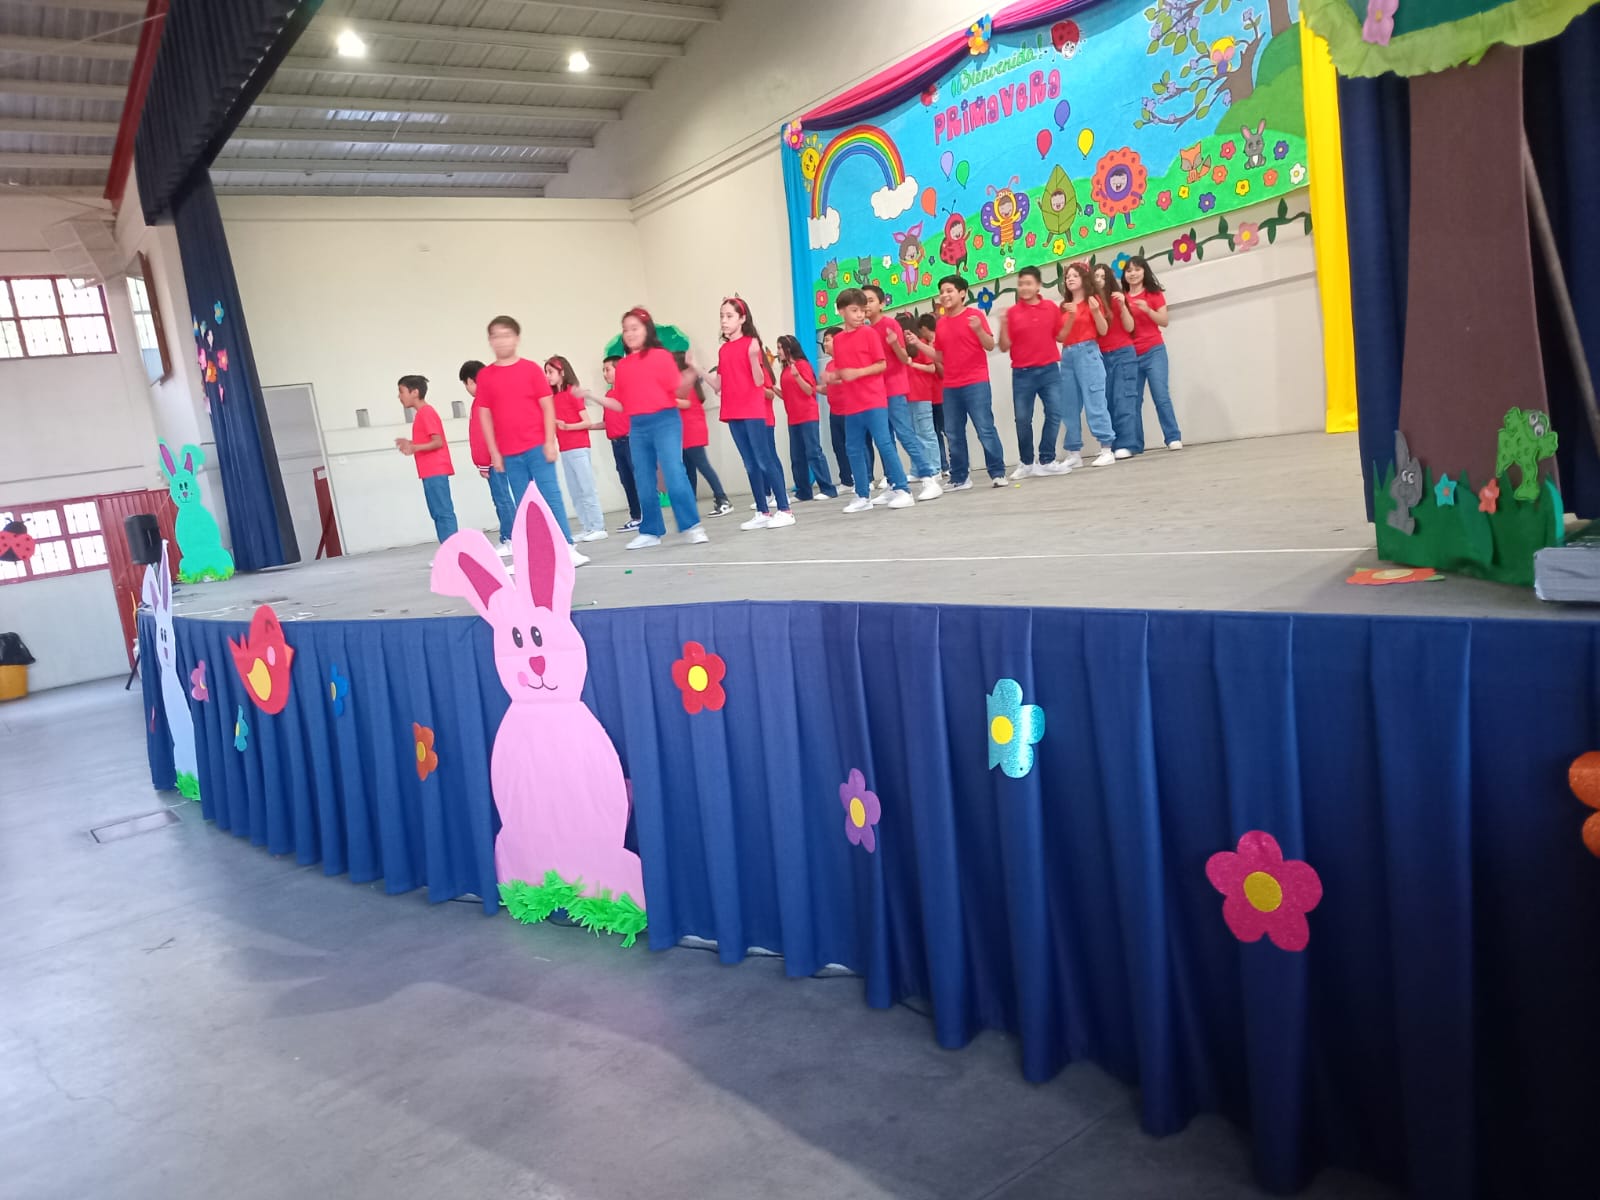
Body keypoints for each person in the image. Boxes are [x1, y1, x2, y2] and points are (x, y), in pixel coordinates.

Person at [474, 314, 587, 566]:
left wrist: (549, 441)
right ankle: (534, 555)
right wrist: (494, 452)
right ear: (490, 341)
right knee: (525, 504)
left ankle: (566, 547)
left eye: (506, 335)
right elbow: (485, 415)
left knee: (550, 495)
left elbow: (547, 406)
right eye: (495, 336)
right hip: (509, 452)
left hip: (537, 446)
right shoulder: (486, 376)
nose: (501, 340)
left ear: (516, 338)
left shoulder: (530, 369)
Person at [690, 297, 794, 531]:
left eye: (729, 316)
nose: (724, 321)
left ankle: (785, 510)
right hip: (733, 410)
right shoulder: (724, 350)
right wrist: (697, 368)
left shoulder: (751, 344)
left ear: (742, 319)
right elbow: (718, 385)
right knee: (749, 463)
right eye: (722, 316)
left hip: (752, 410)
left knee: (764, 460)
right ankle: (762, 511)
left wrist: (753, 358)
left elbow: (758, 381)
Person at [613, 306, 707, 549]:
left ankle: (692, 526)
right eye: (626, 330)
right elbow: (622, 402)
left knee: (674, 472)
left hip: (665, 421)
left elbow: (679, 390)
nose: (630, 333)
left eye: (635, 328)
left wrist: (692, 370)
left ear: (647, 329)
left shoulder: (661, 356)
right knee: (643, 478)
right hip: (638, 426)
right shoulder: (622, 366)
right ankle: (650, 531)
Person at [824, 288, 914, 513]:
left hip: (874, 400)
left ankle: (903, 490)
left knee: (884, 443)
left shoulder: (869, 334)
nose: (859, 315)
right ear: (841, 311)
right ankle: (862, 495)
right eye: (854, 310)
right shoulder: (839, 341)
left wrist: (858, 373)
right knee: (853, 448)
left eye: (861, 311)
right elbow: (844, 371)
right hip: (852, 404)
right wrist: (834, 377)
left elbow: (882, 364)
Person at [912, 276, 1006, 490]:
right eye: (941, 292)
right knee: (953, 433)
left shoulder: (975, 315)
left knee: (985, 428)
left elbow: (989, 345)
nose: (944, 295)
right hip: (951, 386)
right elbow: (940, 356)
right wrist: (918, 343)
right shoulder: (941, 323)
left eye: (949, 291)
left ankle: (998, 473)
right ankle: (960, 477)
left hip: (976, 382)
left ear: (962, 293)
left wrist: (979, 330)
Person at [865, 286, 941, 498]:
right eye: (863, 301)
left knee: (905, 434)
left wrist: (894, 344)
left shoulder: (890, 325)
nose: (866, 305)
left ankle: (928, 478)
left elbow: (903, 358)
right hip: (876, 392)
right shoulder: (866, 330)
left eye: (870, 300)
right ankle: (895, 485)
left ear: (882, 303)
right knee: (884, 440)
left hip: (894, 388)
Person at [998, 266, 1068, 478]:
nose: (1024, 288)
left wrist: (1072, 317)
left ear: (1038, 285)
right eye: (1020, 284)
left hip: (1049, 371)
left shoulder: (1051, 308)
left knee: (1055, 413)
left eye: (1028, 283)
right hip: (1023, 373)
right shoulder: (1012, 313)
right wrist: (1003, 324)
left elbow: (1061, 336)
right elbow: (1004, 346)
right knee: (1022, 420)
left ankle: (1047, 459)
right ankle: (1027, 463)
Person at [1055, 263, 1117, 469]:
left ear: (1084, 278)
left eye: (1074, 275)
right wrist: (1071, 316)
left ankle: (1106, 449)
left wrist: (1096, 311)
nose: (1070, 279)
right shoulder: (1064, 306)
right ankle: (1074, 453)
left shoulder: (1093, 300)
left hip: (1088, 352)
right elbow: (1059, 336)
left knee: (1095, 400)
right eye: (1067, 277)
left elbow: (1103, 330)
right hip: (1067, 355)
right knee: (1069, 404)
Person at [1122, 256, 1184, 453]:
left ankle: (1173, 437)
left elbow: (1164, 321)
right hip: (1130, 355)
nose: (1132, 273)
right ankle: (1134, 445)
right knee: (1132, 401)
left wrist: (1147, 310)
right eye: (1129, 270)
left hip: (1153, 350)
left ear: (1144, 271)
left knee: (1161, 396)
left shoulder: (1154, 294)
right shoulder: (1122, 298)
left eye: (1137, 269)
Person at [546, 355, 608, 543]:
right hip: (565, 449)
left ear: (562, 372)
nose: (547, 376)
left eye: (550, 372)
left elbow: (586, 422)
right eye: (546, 372)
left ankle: (598, 527)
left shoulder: (573, 393)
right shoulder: (553, 397)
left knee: (587, 488)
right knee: (575, 491)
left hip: (579, 447)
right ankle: (587, 526)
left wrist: (567, 426)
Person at [774, 335, 838, 501]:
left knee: (813, 452)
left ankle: (828, 489)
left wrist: (797, 377)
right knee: (797, 456)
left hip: (807, 415)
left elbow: (810, 390)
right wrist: (773, 389)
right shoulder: (786, 370)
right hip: (793, 418)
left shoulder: (802, 365)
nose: (778, 351)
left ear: (789, 348)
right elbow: (787, 396)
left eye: (780, 348)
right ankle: (803, 491)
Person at [461, 359, 516, 554]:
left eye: (466, 384)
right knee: (503, 498)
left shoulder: (482, 403)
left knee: (502, 499)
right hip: (499, 457)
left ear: (471, 381)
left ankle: (511, 538)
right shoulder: (492, 399)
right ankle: (510, 537)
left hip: (493, 460)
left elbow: (481, 436)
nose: (467, 389)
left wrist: (483, 463)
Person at [395, 374, 457, 543]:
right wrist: (411, 443)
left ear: (414, 392)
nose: (399, 397)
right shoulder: (422, 414)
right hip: (429, 471)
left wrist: (414, 447)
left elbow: (438, 442)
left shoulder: (426, 413)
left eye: (401, 391)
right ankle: (448, 549)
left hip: (435, 470)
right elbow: (429, 441)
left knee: (443, 512)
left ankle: (452, 550)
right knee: (438, 512)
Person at [1091, 264, 1143, 461]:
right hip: (1101, 356)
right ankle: (1111, 445)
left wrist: (1122, 306)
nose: (1099, 280)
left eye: (1103, 276)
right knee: (1107, 402)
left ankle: (1127, 444)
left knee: (1124, 400)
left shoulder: (1117, 298)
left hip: (1123, 353)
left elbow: (1130, 327)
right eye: (1095, 276)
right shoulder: (1091, 302)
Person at [674, 353, 733, 514]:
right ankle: (691, 501)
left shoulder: (686, 386)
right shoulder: (683, 385)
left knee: (703, 466)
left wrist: (664, 399)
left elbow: (685, 404)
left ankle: (722, 499)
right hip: (685, 431)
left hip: (692, 431)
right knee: (689, 467)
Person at [821, 325, 873, 491]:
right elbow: (829, 387)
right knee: (839, 447)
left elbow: (850, 380)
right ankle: (846, 480)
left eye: (827, 340)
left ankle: (867, 479)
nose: (824, 344)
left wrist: (833, 379)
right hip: (834, 411)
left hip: (851, 409)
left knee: (859, 445)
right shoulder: (829, 365)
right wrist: (815, 388)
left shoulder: (848, 359)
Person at [600, 356, 642, 531]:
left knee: (638, 478)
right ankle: (636, 516)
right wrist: (582, 426)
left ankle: (646, 514)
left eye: (608, 369)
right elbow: (607, 422)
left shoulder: (628, 391)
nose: (605, 374)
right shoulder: (608, 396)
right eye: (603, 370)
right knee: (626, 480)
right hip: (616, 444)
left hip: (629, 441)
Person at [910, 312, 948, 475]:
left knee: (946, 431)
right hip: (929, 396)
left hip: (940, 394)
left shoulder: (927, 345)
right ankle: (943, 465)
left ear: (923, 329)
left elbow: (938, 370)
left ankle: (949, 465)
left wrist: (933, 356)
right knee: (934, 433)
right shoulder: (921, 345)